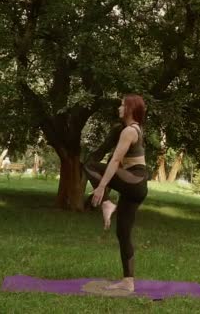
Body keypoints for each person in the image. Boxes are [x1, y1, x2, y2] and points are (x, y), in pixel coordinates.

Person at [82, 94, 148, 293]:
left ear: (129, 108)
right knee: (123, 233)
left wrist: (102, 189)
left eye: (121, 105)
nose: (119, 108)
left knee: (90, 165)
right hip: (135, 187)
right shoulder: (128, 129)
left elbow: (115, 160)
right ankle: (128, 281)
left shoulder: (130, 130)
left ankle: (108, 204)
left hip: (135, 181)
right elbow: (117, 162)